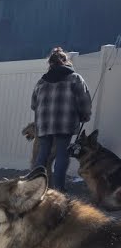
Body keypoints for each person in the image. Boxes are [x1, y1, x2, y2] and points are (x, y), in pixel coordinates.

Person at [32, 47, 93, 191]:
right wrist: (85, 116)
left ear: (50, 64)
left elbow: (34, 104)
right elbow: (84, 101)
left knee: (42, 154)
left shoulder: (42, 81)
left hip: (44, 123)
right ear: (66, 62)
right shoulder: (75, 78)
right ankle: (59, 188)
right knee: (61, 154)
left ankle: (36, 188)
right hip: (65, 123)